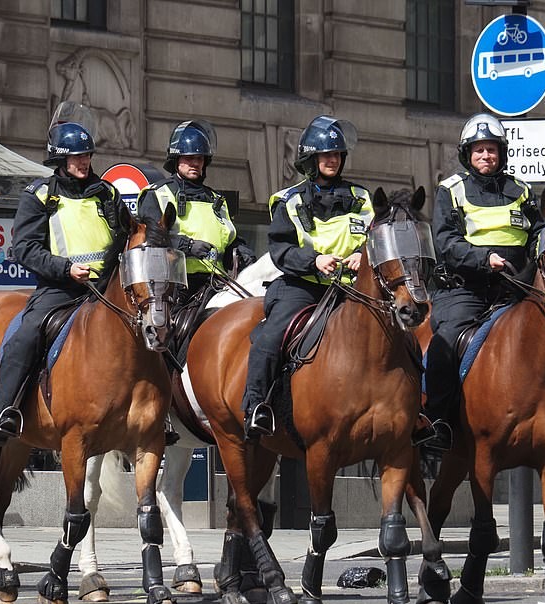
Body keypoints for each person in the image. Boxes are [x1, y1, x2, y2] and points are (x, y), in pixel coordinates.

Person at [420, 112, 545, 451]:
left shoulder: (520, 190)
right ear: (468, 154)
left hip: (516, 288)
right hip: (466, 289)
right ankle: (439, 420)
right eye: (478, 150)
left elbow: (540, 235)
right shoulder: (451, 190)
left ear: (501, 153)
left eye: (491, 150)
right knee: (445, 340)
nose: (485, 156)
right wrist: (483, 259)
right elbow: (445, 240)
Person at [0, 121, 129, 445]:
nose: (83, 162)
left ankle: (156, 413)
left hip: (106, 289)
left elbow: (125, 234)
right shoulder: (40, 195)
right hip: (60, 289)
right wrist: (66, 269)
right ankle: (4, 412)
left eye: (87, 156)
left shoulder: (106, 193)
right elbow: (24, 248)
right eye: (76, 157)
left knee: (149, 330)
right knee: (27, 333)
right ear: (60, 160)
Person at [241, 115, 374, 439]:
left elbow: (376, 237)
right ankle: (256, 407)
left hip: (352, 289)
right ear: (311, 159)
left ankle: (414, 414)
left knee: (399, 334)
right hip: (303, 287)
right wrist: (315, 260)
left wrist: (363, 255)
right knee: (271, 338)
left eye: (337, 154)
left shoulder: (361, 197)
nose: (332, 159)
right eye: (325, 154)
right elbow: (280, 249)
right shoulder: (289, 200)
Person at [136, 119, 256, 329]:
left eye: (199, 158)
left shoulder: (215, 199)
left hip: (217, 285)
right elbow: (150, 239)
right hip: (176, 290)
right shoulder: (157, 194)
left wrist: (241, 250)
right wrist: (188, 246)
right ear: (176, 158)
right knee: (178, 334)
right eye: (189, 157)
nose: (195, 163)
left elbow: (229, 238)